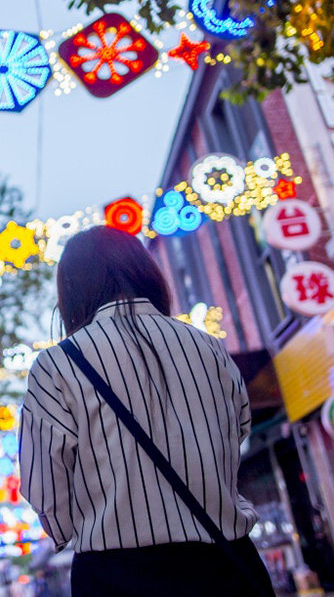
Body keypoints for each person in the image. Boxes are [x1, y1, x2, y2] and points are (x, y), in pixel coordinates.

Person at [19, 226, 273, 597]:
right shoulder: (208, 347)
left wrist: (81, 530)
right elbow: (239, 430)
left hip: (117, 573)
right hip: (226, 564)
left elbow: (43, 484)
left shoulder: (57, 364)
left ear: (72, 291)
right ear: (146, 273)